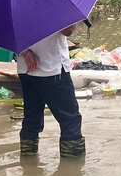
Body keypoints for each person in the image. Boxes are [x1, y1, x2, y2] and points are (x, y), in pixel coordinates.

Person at [17, 24, 85, 158]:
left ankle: (28, 167)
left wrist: (25, 52)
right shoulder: (54, 3)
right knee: (70, 120)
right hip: (52, 68)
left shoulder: (15, 4)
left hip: (26, 68)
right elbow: (68, 30)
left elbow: (9, 34)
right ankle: (72, 172)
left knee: (31, 120)